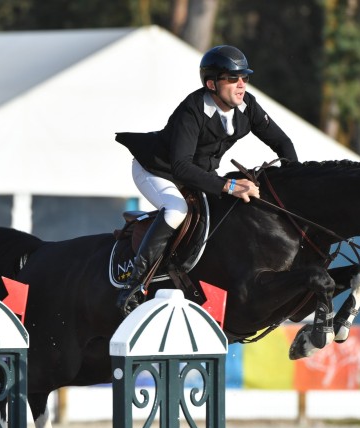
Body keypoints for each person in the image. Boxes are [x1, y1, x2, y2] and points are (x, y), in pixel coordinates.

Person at [115, 44, 299, 317]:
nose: (241, 85)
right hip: (156, 170)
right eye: (232, 79)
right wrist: (230, 186)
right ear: (211, 84)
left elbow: (283, 143)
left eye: (245, 78)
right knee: (177, 211)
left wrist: (293, 180)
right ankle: (135, 283)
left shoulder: (247, 105)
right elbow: (180, 167)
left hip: (197, 172)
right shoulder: (192, 110)